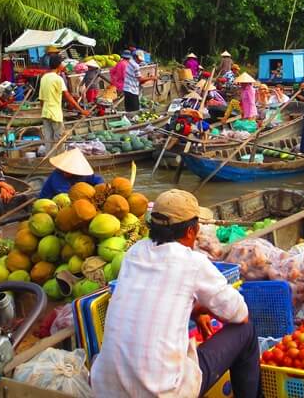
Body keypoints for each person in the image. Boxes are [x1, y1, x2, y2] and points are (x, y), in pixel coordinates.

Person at [91, 189, 260, 398]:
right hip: (163, 393)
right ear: (191, 231)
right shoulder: (192, 262)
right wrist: (204, 308)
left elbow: (153, 300)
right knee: (247, 331)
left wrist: (195, 310)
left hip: (106, 389)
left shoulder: (134, 253)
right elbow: (239, 313)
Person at [39, 54, 88, 149]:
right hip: (55, 114)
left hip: (45, 113)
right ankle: (59, 159)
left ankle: (50, 159)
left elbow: (41, 99)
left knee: (48, 139)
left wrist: (43, 110)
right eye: (62, 63)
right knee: (59, 140)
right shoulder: (58, 79)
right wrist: (81, 110)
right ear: (58, 65)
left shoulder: (44, 78)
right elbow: (68, 97)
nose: (63, 65)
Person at [38, 147, 104, 199]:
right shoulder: (57, 176)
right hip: (50, 200)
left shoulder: (82, 173)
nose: (65, 173)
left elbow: (97, 180)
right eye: (64, 170)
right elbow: (67, 195)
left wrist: (99, 189)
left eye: (68, 171)